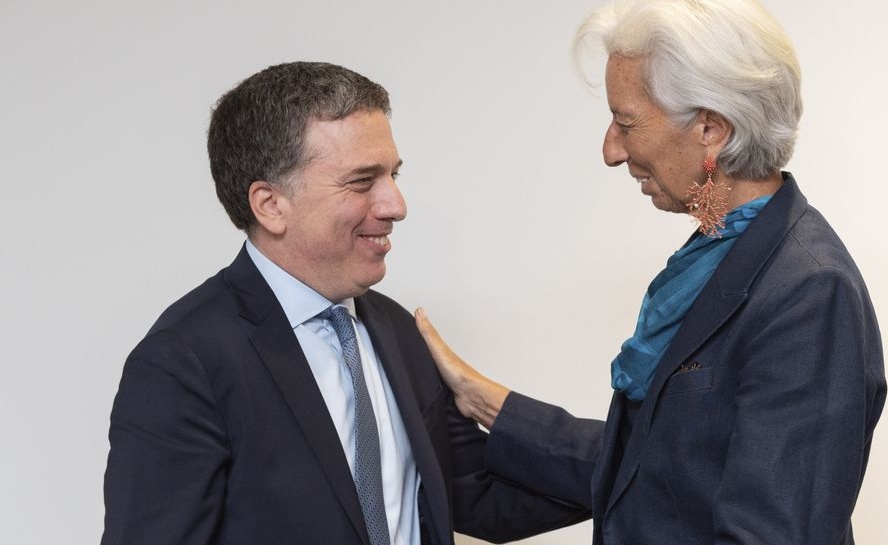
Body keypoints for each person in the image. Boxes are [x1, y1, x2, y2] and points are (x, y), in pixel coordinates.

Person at [416, 1, 887, 544]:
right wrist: (488, 403)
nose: (610, 150)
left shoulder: (808, 291)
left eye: (627, 122)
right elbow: (665, 467)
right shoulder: (716, 256)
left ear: (711, 128)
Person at [101, 62, 588, 545]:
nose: (396, 205)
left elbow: (478, 494)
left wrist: (626, 457)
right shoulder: (183, 362)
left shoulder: (398, 330)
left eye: (393, 175)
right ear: (270, 205)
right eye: (361, 181)